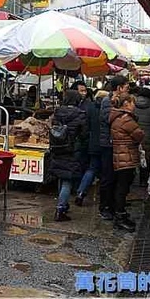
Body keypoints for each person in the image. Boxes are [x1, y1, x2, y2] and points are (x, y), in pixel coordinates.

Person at [49, 90, 87, 222]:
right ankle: (60, 209)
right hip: (72, 149)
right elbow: (83, 134)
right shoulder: (80, 114)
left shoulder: (57, 112)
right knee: (67, 180)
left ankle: (63, 202)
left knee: (61, 175)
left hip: (57, 148)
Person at [110, 93, 145, 232]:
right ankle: (120, 217)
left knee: (121, 186)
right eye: (132, 103)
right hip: (126, 157)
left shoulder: (117, 117)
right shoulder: (125, 119)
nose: (134, 105)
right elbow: (139, 134)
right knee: (122, 187)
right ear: (126, 104)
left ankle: (120, 213)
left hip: (121, 155)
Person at [99, 75, 129, 221]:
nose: (127, 90)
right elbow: (107, 119)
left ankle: (113, 205)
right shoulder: (107, 101)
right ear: (119, 88)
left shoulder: (120, 101)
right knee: (107, 176)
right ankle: (104, 207)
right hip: (108, 144)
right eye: (126, 87)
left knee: (116, 177)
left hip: (118, 143)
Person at [73, 82, 103, 205]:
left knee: (90, 168)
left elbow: (85, 128)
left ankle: (80, 191)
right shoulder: (106, 111)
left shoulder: (89, 107)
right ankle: (82, 191)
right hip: (102, 144)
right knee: (94, 168)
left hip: (89, 143)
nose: (84, 93)